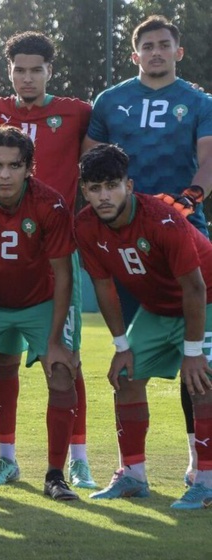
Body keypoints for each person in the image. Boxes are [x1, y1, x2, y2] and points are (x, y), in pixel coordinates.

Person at [83, 15, 212, 485]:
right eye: (148, 46)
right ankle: (131, 471)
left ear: (179, 52)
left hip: (180, 229)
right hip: (120, 236)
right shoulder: (110, 100)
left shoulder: (198, 101)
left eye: (165, 45)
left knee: (196, 364)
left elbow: (209, 155)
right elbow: (91, 160)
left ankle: (201, 465)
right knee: (129, 361)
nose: (156, 52)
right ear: (134, 54)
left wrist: (189, 199)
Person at [0, 31, 95, 488]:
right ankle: (6, 458)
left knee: (67, 360)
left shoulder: (77, 112)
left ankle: (78, 459)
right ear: (10, 72)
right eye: (19, 70)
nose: (28, 77)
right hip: (2, 258)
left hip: (57, 256)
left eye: (36, 69)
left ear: (50, 71)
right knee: (3, 362)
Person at [76, 144, 212, 509]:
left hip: (206, 300)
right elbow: (104, 288)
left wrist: (194, 352)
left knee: (202, 382)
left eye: (112, 185)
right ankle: (133, 476)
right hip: (157, 308)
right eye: (94, 188)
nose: (104, 196)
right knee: (125, 377)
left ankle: (207, 481)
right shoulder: (85, 225)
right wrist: (121, 345)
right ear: (84, 191)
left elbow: (195, 287)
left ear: (129, 185)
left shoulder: (162, 218)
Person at [0, 125, 79, 501]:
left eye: (14, 165)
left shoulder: (50, 203)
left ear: (29, 168)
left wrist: (54, 341)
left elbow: (63, 274)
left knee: (61, 372)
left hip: (39, 301)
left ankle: (56, 476)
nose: (5, 174)